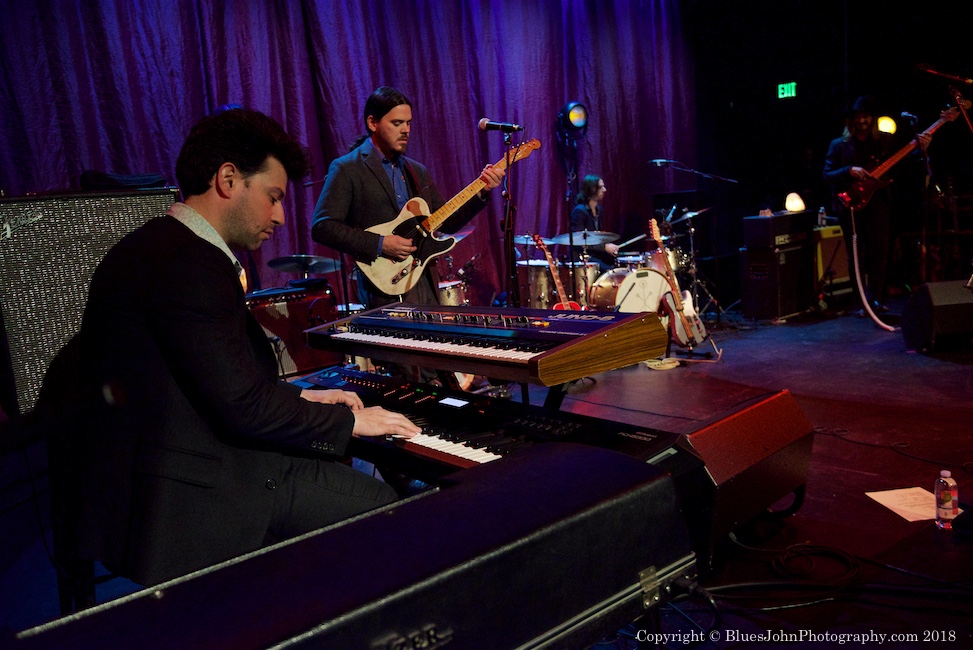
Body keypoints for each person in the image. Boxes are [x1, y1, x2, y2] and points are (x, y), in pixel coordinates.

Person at [75, 108, 420, 587]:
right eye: (273, 197)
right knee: (394, 513)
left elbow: (216, 380)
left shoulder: (148, 246)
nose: (280, 216)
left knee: (328, 461)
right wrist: (350, 421)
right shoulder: (191, 265)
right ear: (228, 179)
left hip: (166, 465)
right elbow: (242, 406)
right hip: (198, 492)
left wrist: (307, 398)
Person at [311, 86, 504, 311]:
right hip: (383, 289)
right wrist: (381, 244)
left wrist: (482, 190)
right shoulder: (348, 168)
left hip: (424, 282)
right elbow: (322, 226)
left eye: (408, 123)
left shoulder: (416, 170)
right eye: (397, 123)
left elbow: (447, 221)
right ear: (373, 123)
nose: (405, 130)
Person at [822, 95, 930, 312]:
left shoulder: (884, 141)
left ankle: (878, 299)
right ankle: (860, 301)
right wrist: (849, 170)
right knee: (856, 255)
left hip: (879, 205)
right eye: (858, 117)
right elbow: (826, 175)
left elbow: (905, 163)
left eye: (865, 117)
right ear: (851, 121)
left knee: (879, 253)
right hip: (850, 206)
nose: (862, 121)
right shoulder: (839, 145)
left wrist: (922, 149)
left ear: (871, 119)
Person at [569, 175, 618, 273]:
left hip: (595, 256)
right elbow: (579, 242)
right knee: (610, 272)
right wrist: (604, 247)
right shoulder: (579, 211)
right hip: (583, 259)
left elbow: (596, 237)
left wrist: (608, 246)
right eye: (601, 187)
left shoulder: (599, 210)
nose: (604, 190)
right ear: (592, 189)